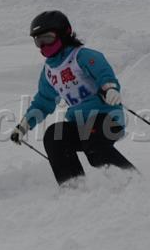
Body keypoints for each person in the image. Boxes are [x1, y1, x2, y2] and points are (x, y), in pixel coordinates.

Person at [10, 10, 136, 185]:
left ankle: (133, 182)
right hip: (79, 122)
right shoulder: (49, 71)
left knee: (94, 146)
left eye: (48, 38)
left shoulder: (82, 56)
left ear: (64, 33)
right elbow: (43, 102)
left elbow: (103, 74)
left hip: (106, 118)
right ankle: (74, 187)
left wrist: (110, 89)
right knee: (54, 136)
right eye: (38, 41)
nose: (43, 45)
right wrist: (24, 125)